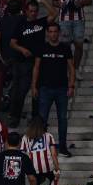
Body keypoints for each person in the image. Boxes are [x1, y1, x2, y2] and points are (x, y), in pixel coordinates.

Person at [8, 0, 57, 127]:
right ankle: (15, 117)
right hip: (24, 62)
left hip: (39, 61)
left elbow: (54, 14)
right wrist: (22, 49)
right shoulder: (21, 24)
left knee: (38, 92)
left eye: (35, 11)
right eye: (31, 11)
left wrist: (44, 2)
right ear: (26, 11)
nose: (33, 13)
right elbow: (12, 43)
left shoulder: (41, 23)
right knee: (21, 90)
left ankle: (36, 119)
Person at [31, 23, 74, 157]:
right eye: (50, 31)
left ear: (59, 32)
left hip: (62, 89)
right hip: (45, 88)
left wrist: (71, 85)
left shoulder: (65, 48)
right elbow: (36, 67)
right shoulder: (42, 48)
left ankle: (62, 147)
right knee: (42, 118)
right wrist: (33, 86)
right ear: (47, 33)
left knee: (62, 118)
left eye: (55, 31)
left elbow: (72, 68)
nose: (53, 34)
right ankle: (40, 146)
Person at [52, 0, 92, 77]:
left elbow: (90, 0)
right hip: (64, 19)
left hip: (79, 19)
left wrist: (81, 2)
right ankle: (67, 69)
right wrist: (60, 4)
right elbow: (54, 1)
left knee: (79, 45)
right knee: (65, 46)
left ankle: (76, 68)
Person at [21, 116, 60, 185]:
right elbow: (54, 154)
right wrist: (57, 168)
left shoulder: (25, 138)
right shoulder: (48, 136)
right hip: (48, 168)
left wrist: (25, 170)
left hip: (33, 170)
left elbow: (23, 155)